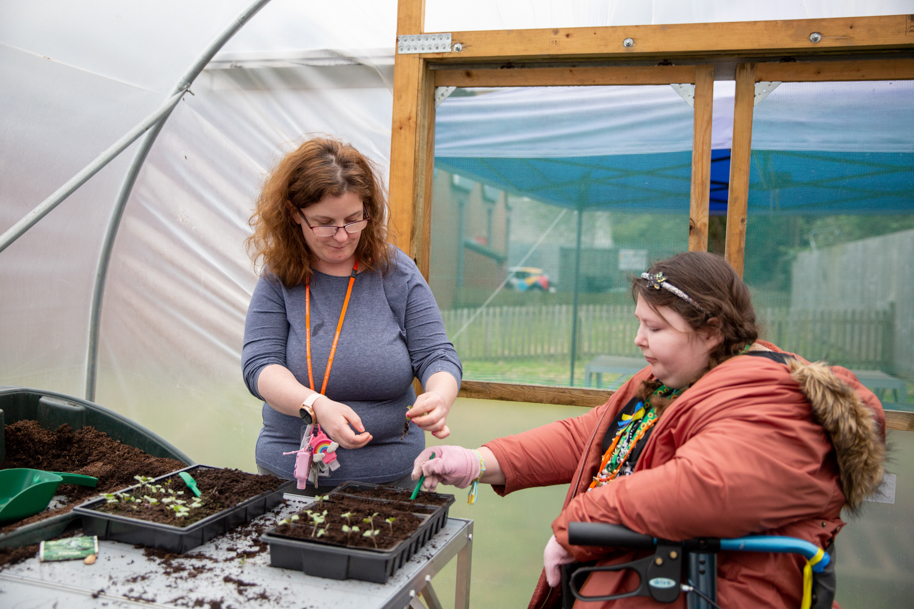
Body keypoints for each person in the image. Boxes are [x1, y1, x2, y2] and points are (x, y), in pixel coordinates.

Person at [412, 252, 885, 609]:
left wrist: (574, 530)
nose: (639, 339)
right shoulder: (669, 382)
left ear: (713, 331)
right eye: (639, 323)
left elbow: (706, 488)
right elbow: (590, 437)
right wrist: (477, 461)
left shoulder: (770, 397)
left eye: (655, 328)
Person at [242, 136, 462, 493]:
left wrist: (439, 395)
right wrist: (315, 405)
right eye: (325, 223)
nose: (342, 236)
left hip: (392, 481)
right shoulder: (280, 278)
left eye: (354, 220)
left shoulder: (396, 272)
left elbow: (437, 355)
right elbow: (259, 366)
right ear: (293, 214)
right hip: (288, 480)